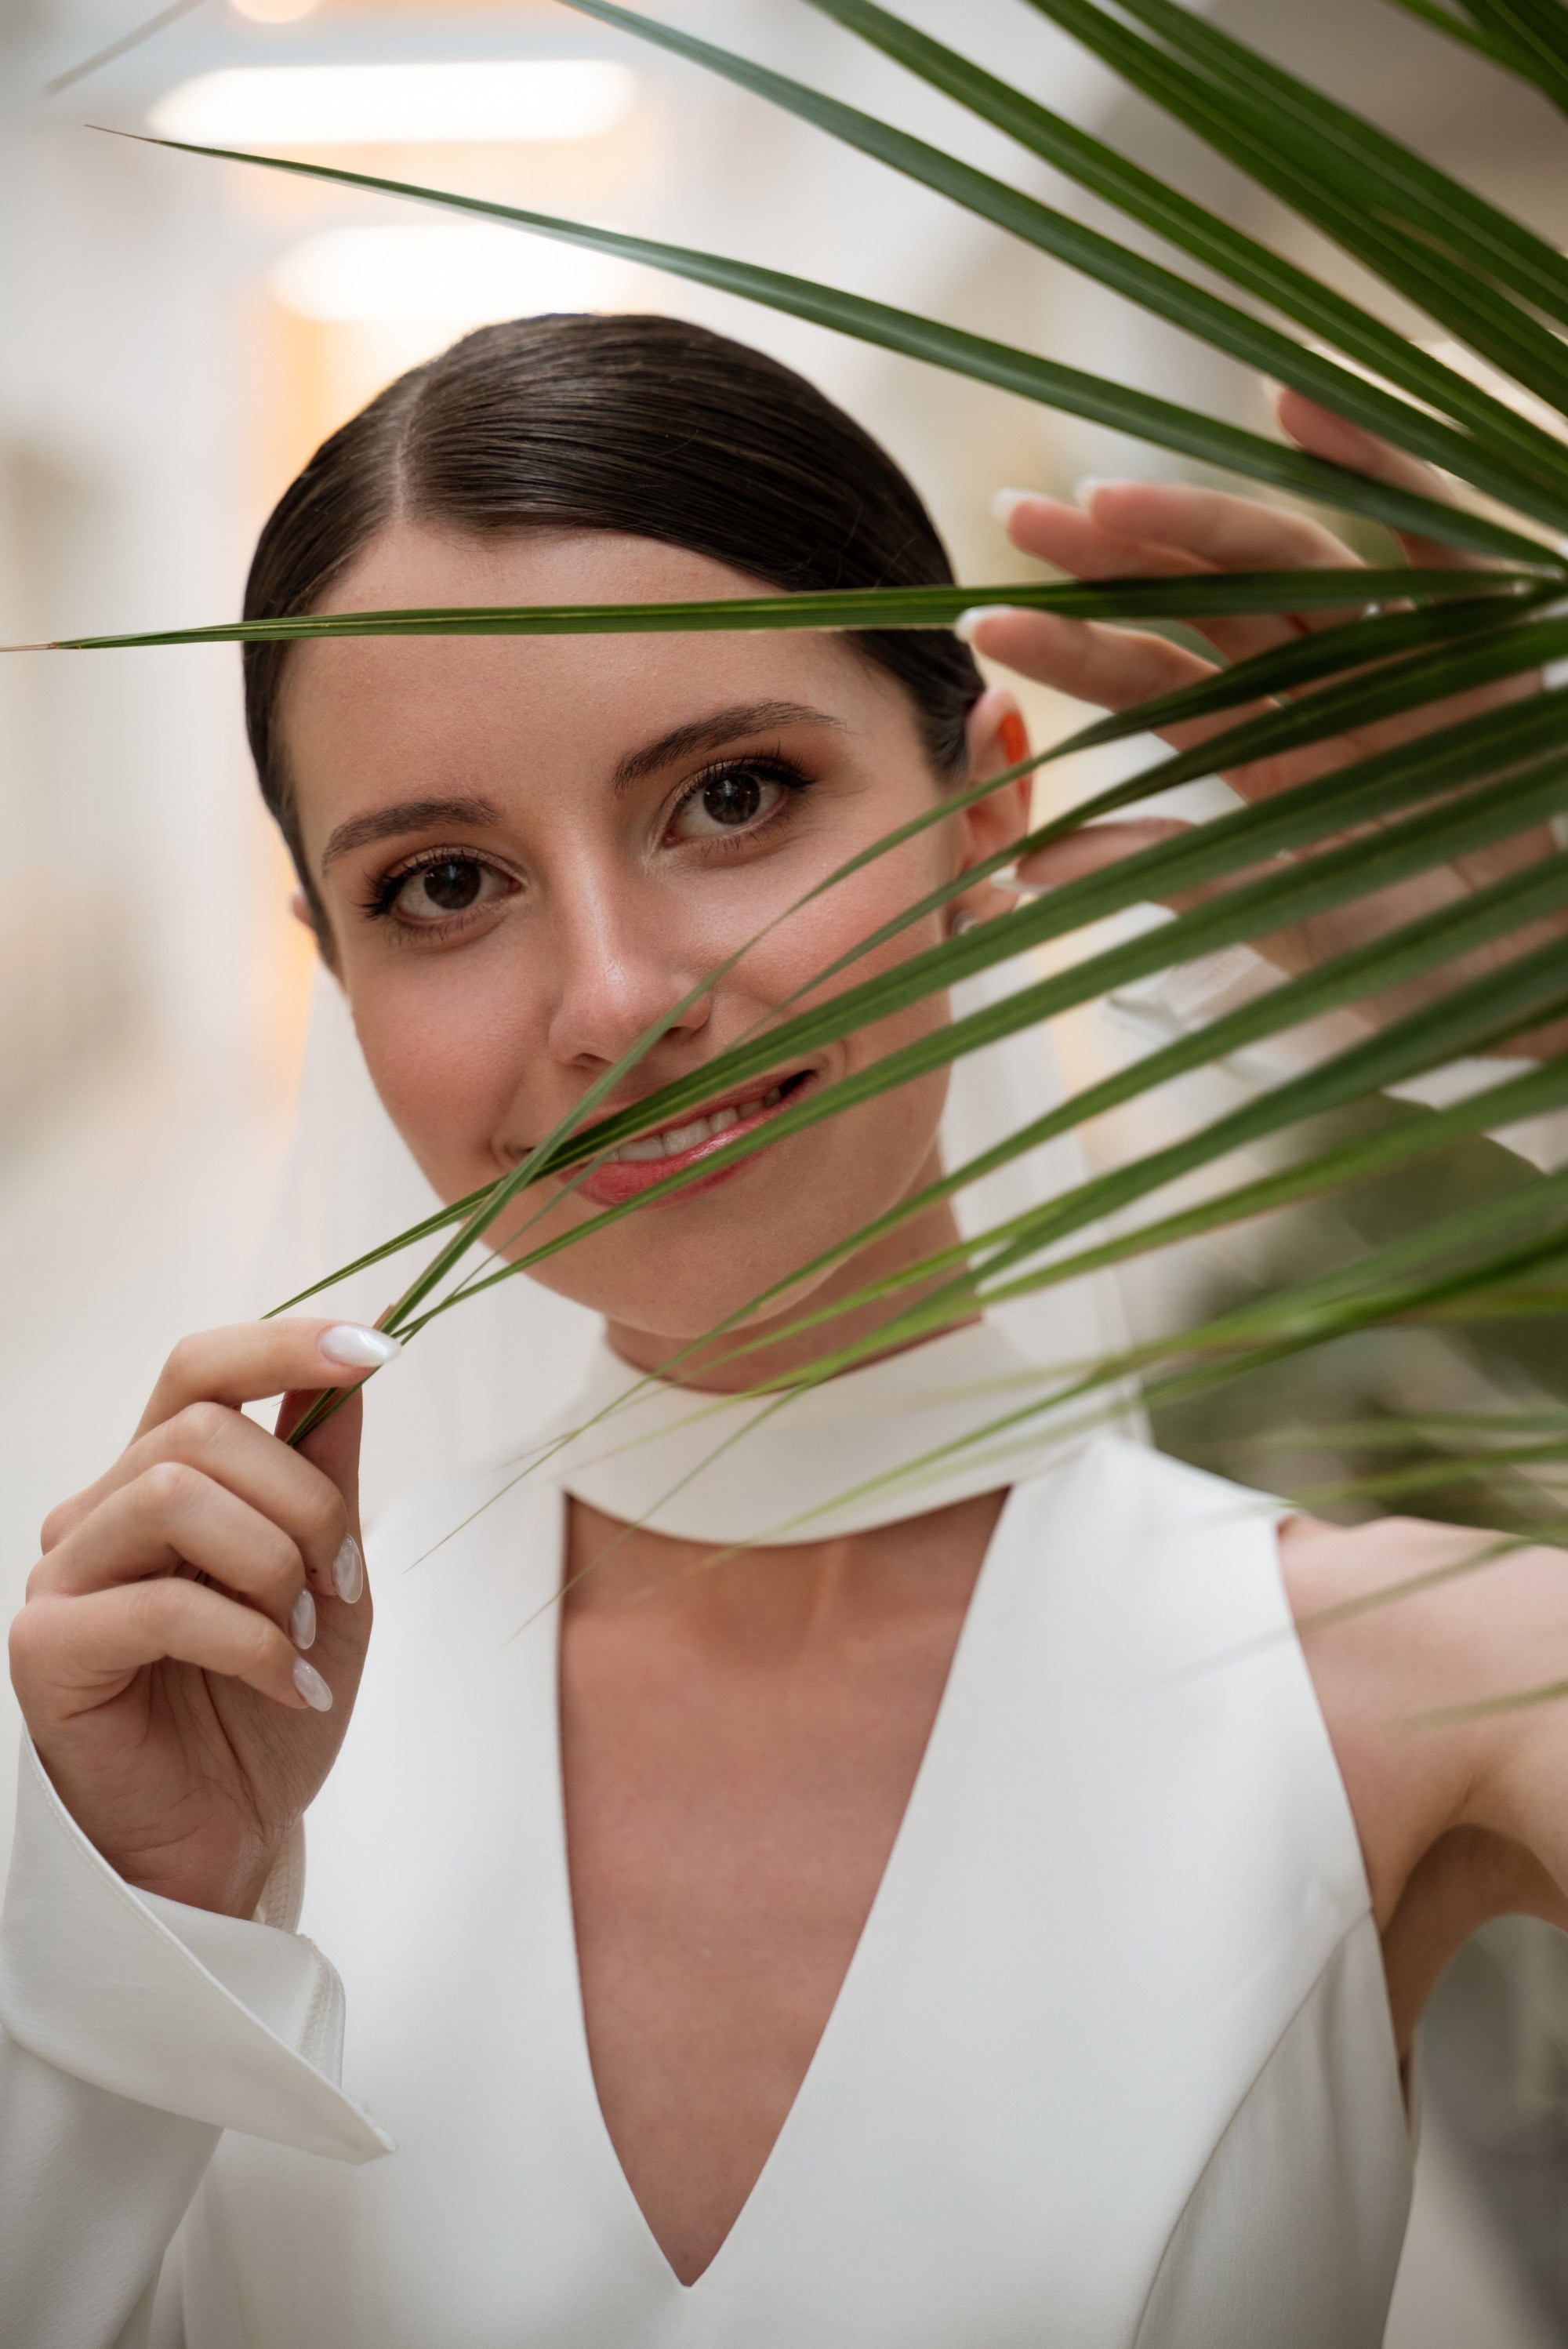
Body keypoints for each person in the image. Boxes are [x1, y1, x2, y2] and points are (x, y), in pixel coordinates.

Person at [3, 313, 1566, 2349]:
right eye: (445, 883)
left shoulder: (1417, 1680)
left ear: (984, 816)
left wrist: (1545, 1025)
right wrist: (120, 1949)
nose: (614, 997)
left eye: (732, 795)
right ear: (340, 976)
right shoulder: (208, 1727)